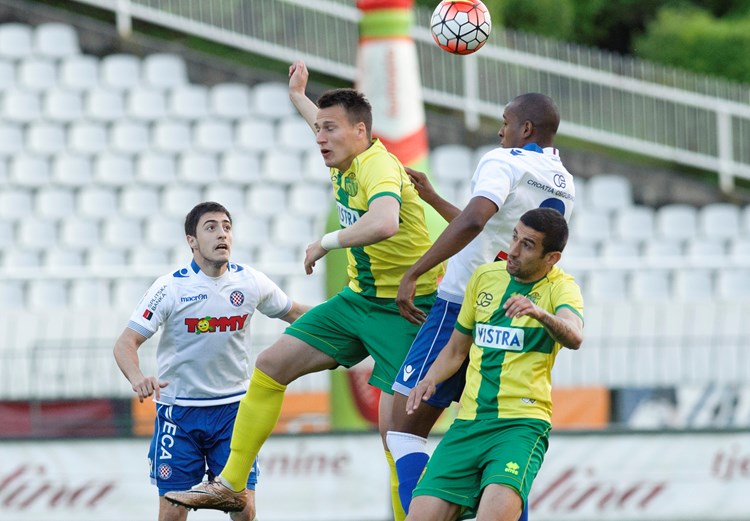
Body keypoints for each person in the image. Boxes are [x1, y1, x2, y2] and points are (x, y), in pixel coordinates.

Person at [164, 60, 441, 516]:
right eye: (318, 130)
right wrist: (298, 95)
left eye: (329, 130)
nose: (320, 137)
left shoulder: (377, 167)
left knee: (396, 435)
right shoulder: (346, 149)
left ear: (360, 131)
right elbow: (321, 118)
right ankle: (232, 483)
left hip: (407, 311)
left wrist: (324, 243)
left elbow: (385, 220)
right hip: (358, 301)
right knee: (271, 365)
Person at [387, 93, 576, 516]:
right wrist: (435, 199)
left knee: (402, 433)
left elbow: (475, 219)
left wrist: (415, 271)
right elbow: (496, 233)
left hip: (463, 304)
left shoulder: (503, 159)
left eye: (505, 120)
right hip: (511, 309)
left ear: (525, 129)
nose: (500, 130)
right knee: (502, 462)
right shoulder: (562, 178)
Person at [113, 201, 309, 521]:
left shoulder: (250, 282)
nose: (222, 234)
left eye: (227, 227)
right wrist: (137, 377)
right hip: (180, 414)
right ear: (192, 241)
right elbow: (125, 343)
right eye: (211, 227)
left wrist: (345, 322)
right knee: (173, 511)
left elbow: (297, 313)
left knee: (244, 508)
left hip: (233, 411)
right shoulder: (170, 287)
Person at [405, 207, 584, 521]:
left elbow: (574, 335)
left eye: (527, 245)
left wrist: (540, 314)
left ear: (551, 258)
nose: (512, 251)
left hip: (519, 425)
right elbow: (456, 349)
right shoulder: (486, 277)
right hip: (469, 423)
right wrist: (429, 379)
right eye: (514, 237)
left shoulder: (561, 288)